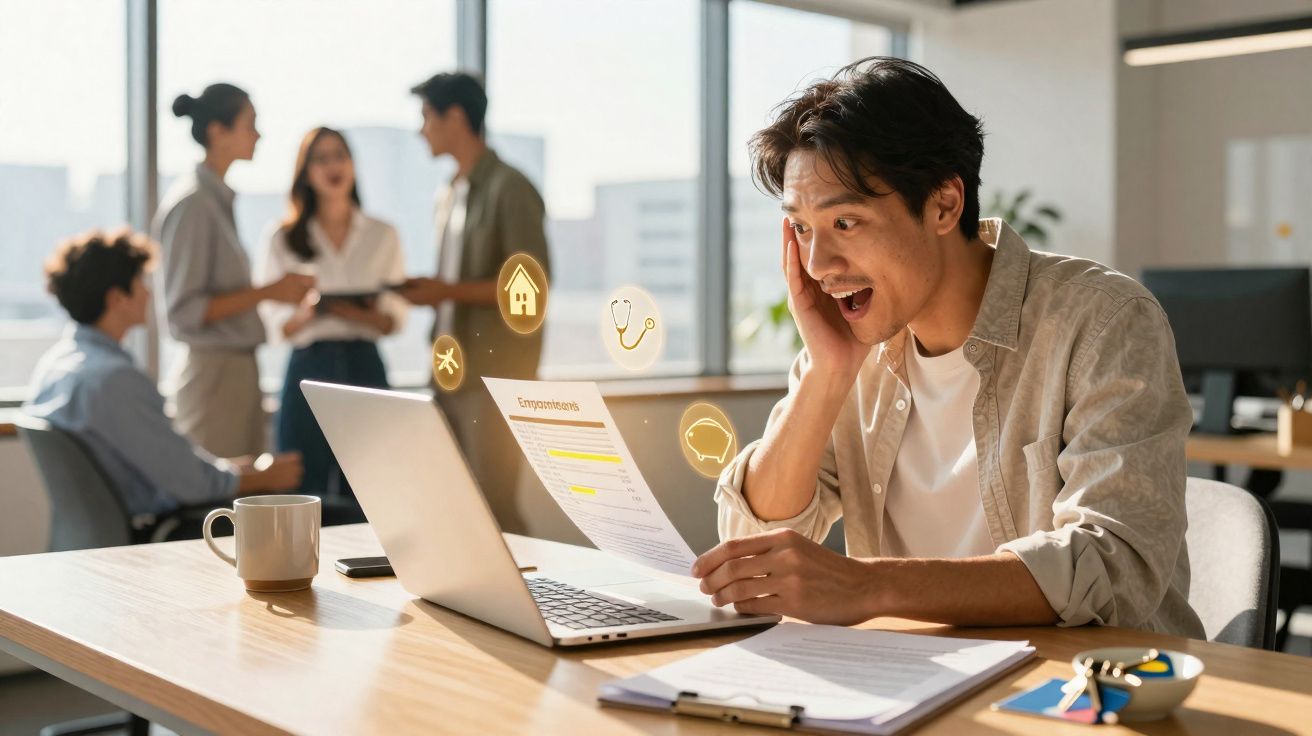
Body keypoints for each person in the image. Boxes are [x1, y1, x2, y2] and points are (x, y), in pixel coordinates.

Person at [692, 57, 1205, 638]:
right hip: (917, 686)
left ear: (943, 204)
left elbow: (1111, 567)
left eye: (846, 224)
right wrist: (827, 373)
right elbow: (748, 554)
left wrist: (868, 586)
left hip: (1091, 695)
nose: (818, 266)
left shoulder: (1103, 321)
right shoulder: (852, 345)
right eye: (803, 229)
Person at [25, 230, 303, 536]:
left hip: (94, 538)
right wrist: (264, 477)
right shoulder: (112, 380)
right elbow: (191, 485)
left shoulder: (55, 367)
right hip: (159, 533)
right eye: (140, 284)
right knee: (316, 518)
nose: (148, 294)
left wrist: (239, 469)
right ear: (117, 298)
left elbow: (171, 468)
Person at [396, 71, 551, 532]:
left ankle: (529, 603)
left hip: (495, 376)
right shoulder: (449, 193)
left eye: (427, 117)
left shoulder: (510, 187)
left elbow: (532, 289)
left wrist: (445, 290)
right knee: (456, 507)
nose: (421, 129)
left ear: (456, 117)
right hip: (448, 372)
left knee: (496, 509)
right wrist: (436, 292)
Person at [153, 83, 314, 459]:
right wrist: (268, 292)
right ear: (217, 132)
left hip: (234, 373)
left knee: (244, 501)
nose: (258, 135)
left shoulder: (214, 200)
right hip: (214, 377)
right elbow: (184, 312)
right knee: (221, 505)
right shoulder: (194, 204)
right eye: (250, 124)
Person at [259, 127, 407, 500]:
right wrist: (310, 311)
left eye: (339, 155)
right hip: (309, 366)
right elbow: (276, 325)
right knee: (301, 490)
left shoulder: (382, 234)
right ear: (306, 173)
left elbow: (394, 318)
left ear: (353, 165)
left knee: (372, 489)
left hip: (365, 366)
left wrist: (358, 314)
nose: (332, 166)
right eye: (320, 159)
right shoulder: (282, 238)